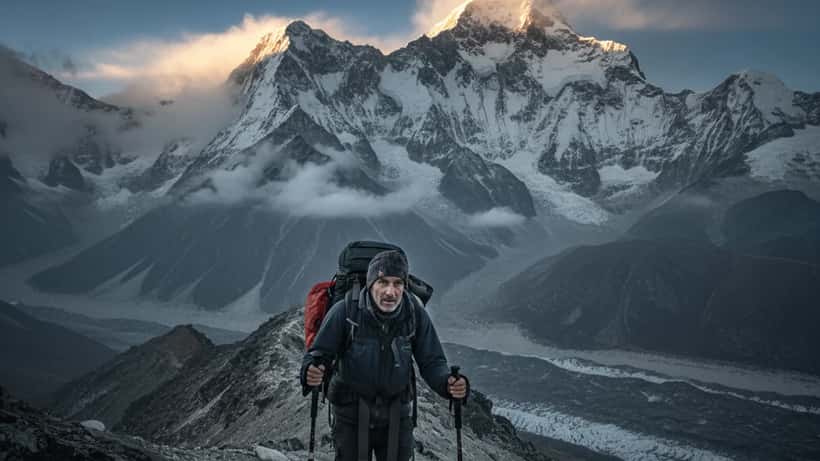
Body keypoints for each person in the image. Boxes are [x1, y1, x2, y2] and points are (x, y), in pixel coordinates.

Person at [300, 250, 469, 461]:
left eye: (397, 283)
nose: (390, 292)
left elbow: (432, 361)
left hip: (397, 418)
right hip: (351, 417)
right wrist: (311, 371)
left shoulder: (413, 313)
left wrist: (448, 384)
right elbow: (318, 354)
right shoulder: (346, 311)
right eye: (383, 282)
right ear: (371, 284)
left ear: (405, 286)